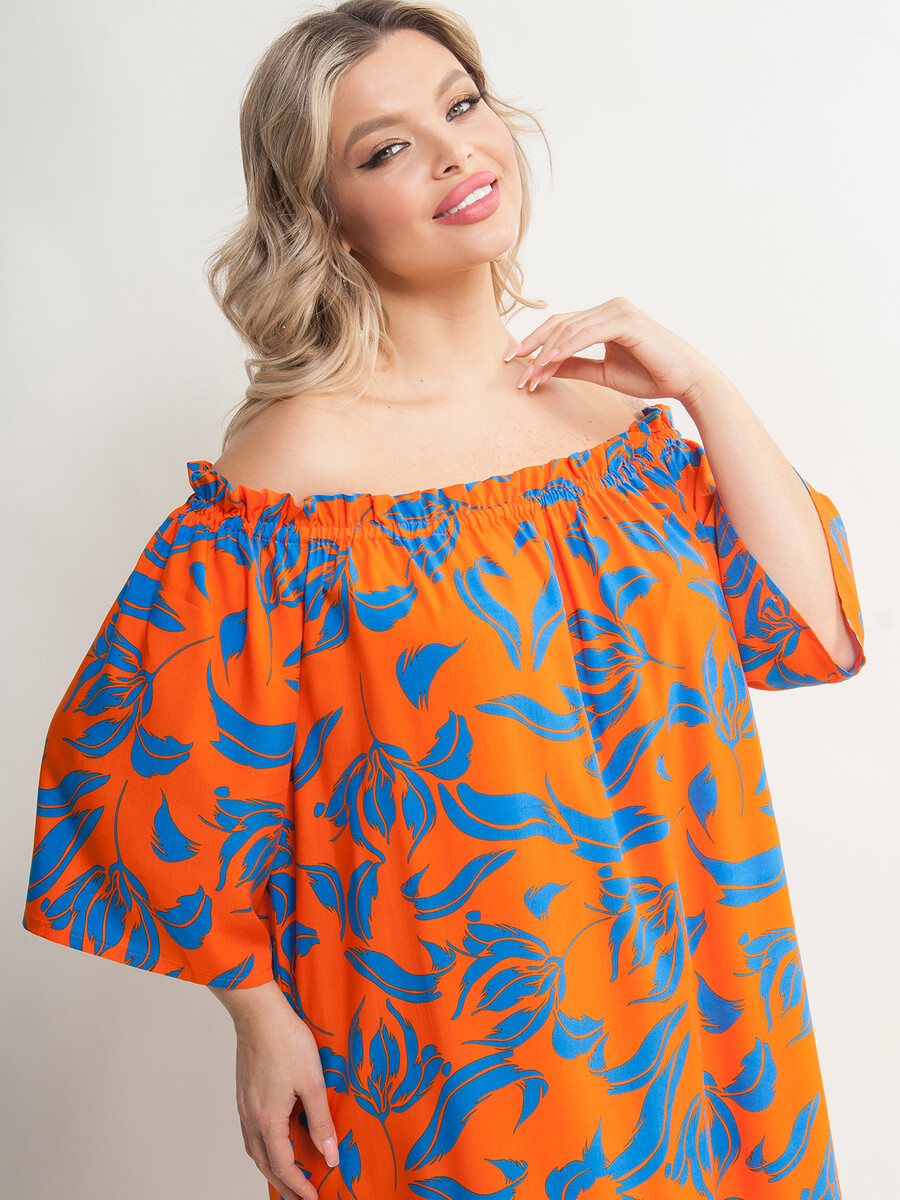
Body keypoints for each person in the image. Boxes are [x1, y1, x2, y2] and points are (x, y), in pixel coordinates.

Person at [22, 2, 866, 1198]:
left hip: (713, 1010)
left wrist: (700, 386)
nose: (453, 152)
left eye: (461, 106)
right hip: (468, 1059)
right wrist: (257, 1014)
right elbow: (136, 770)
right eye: (386, 148)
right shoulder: (295, 478)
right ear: (325, 215)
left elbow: (814, 627)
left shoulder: (620, 429)